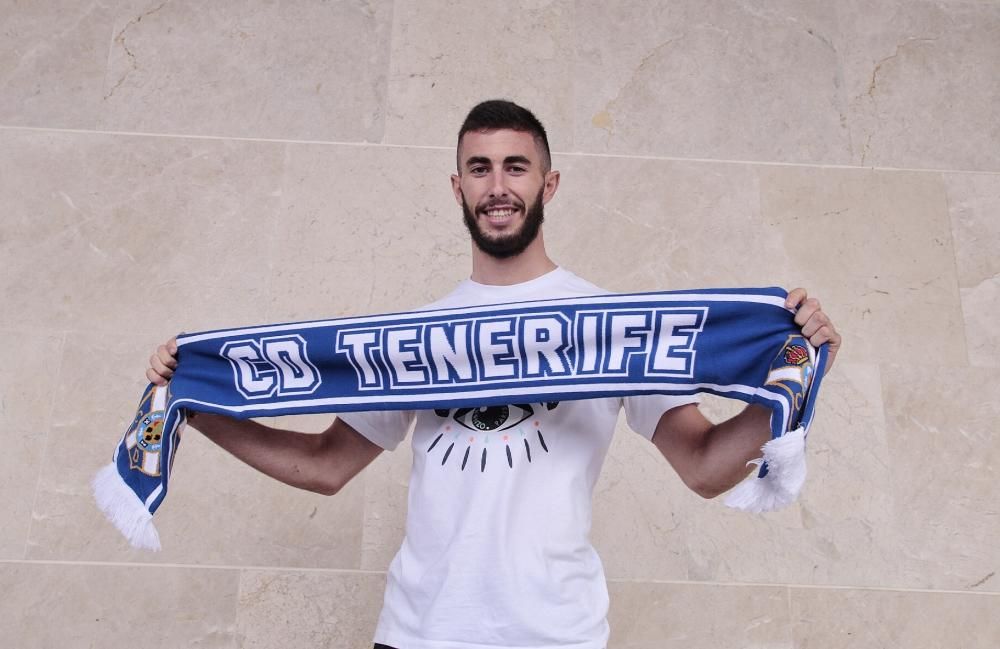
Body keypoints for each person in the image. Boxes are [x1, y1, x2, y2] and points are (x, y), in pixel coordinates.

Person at [147, 100, 841, 649]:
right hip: (418, 631)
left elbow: (702, 464)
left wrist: (788, 383)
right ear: (457, 187)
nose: (498, 185)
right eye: (479, 168)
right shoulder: (415, 336)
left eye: (516, 166)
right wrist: (196, 406)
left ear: (549, 183)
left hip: (555, 634)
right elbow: (326, 465)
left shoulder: (617, 323)